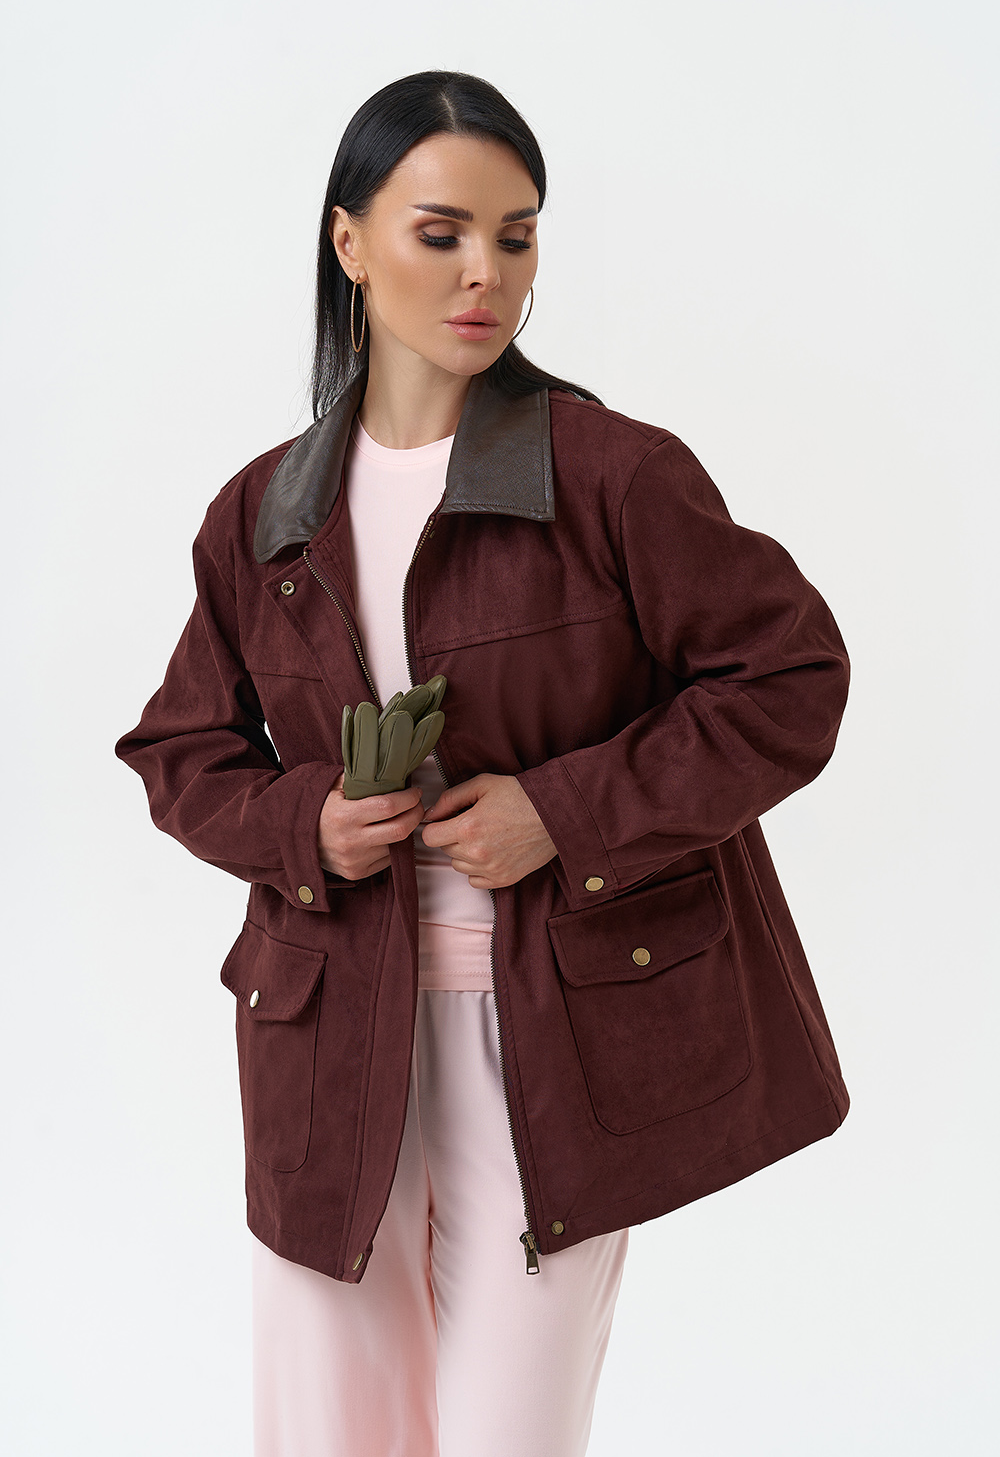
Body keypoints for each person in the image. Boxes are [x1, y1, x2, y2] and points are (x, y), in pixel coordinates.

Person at [115, 70, 852, 1457]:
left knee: (511, 1434)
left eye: (517, 237)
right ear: (350, 243)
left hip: (557, 1038)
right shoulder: (263, 512)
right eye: (441, 232)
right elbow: (179, 748)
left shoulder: (613, 475)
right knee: (326, 1433)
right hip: (327, 1035)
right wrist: (304, 825)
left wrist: (561, 812)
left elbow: (789, 678)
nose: (486, 274)